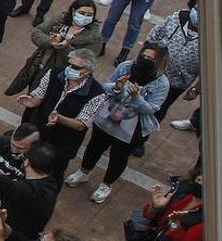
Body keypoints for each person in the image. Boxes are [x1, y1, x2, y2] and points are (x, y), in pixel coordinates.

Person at [64, 43, 170, 204]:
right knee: (95, 146)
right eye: (144, 56)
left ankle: (106, 185)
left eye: (151, 59)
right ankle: (83, 172)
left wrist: (137, 98)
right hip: (108, 115)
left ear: (159, 62)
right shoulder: (126, 67)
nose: (145, 60)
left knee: (119, 156)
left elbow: (152, 108)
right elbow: (105, 86)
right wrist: (116, 87)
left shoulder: (161, 83)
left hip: (132, 126)